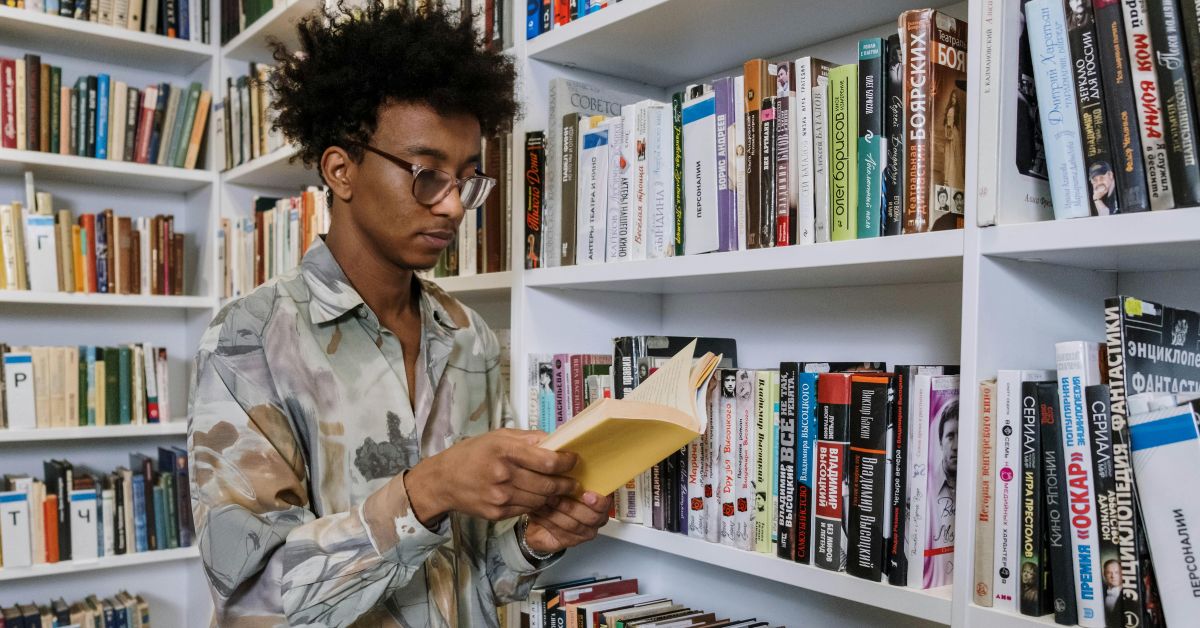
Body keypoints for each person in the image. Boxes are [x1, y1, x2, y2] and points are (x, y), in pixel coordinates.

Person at [187, 5, 609, 626]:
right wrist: (426, 491)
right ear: (341, 169)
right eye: (426, 174)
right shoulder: (248, 339)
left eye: (465, 180)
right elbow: (253, 597)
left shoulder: (471, 337)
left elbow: (475, 574)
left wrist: (534, 542)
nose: (452, 207)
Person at [1103, 559, 1123, 624]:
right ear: (1104, 575)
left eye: (1117, 572)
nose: (1113, 576)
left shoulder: (1129, 593)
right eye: (1109, 573)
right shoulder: (1101, 593)